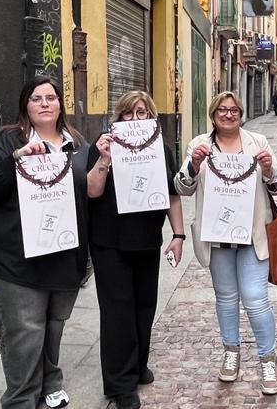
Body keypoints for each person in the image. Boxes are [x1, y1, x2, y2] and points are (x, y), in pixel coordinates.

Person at [0, 77, 89, 409]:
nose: (44, 103)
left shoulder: (77, 144)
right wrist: (16, 159)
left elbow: (90, 192)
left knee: (53, 327)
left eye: (51, 97)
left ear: (60, 104)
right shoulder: (8, 141)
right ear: (26, 105)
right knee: (23, 332)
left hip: (65, 255)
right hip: (18, 258)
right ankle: (21, 399)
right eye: (36, 98)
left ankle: (49, 384)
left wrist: (105, 162)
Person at [174, 91, 277, 395]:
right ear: (213, 114)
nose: (228, 114)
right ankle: (231, 352)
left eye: (234, 109)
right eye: (222, 110)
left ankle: (268, 359)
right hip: (217, 235)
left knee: (255, 298)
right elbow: (183, 188)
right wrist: (193, 166)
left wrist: (268, 170)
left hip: (251, 235)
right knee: (225, 297)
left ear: (241, 113)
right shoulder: (199, 144)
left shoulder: (257, 142)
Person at [86, 91, 186, 409]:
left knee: (145, 306)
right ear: (118, 118)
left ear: (152, 117)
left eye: (142, 113)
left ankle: (138, 364)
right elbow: (92, 190)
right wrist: (104, 160)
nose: (135, 119)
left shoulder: (163, 150)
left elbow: (172, 195)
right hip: (109, 240)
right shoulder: (103, 146)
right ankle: (120, 384)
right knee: (118, 311)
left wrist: (179, 235)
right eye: (128, 114)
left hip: (146, 238)